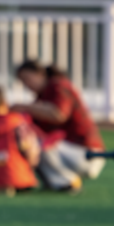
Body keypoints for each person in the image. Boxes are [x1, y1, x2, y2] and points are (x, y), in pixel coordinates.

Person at [14, 59, 103, 190]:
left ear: (40, 74)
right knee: (28, 141)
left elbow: (59, 114)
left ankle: (66, 182)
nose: (27, 85)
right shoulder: (43, 95)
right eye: (23, 81)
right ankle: (53, 182)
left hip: (86, 154)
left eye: (27, 78)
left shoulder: (58, 86)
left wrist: (24, 107)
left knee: (35, 143)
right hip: (72, 152)